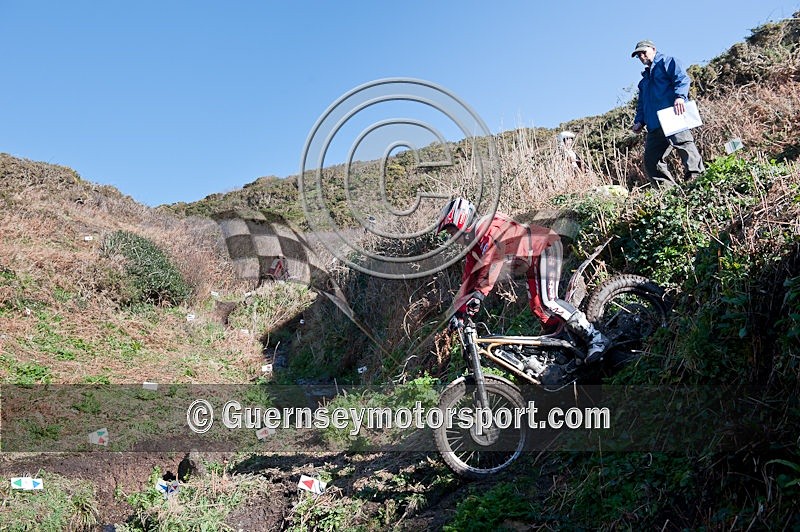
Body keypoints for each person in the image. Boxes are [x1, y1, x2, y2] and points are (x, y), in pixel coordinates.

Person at [438, 197, 609, 364]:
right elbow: (470, 278)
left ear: (461, 221)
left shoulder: (489, 226)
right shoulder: (474, 244)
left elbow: (493, 261)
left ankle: (595, 337)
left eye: (452, 232)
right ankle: (570, 345)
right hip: (533, 261)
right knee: (539, 309)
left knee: (549, 302)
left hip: (544, 247)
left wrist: (479, 294)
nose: (452, 238)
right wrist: (459, 312)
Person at [630, 40, 704, 188]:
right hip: (653, 124)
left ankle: (696, 178)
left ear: (653, 49)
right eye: (638, 55)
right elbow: (642, 104)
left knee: (684, 145)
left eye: (644, 52)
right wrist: (639, 121)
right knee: (651, 160)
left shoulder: (668, 62)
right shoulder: (643, 82)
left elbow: (682, 79)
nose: (642, 56)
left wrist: (680, 97)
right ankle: (666, 190)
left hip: (672, 115)